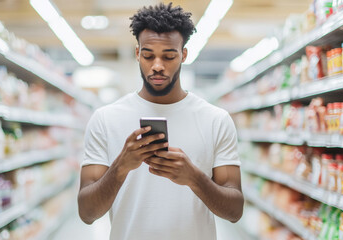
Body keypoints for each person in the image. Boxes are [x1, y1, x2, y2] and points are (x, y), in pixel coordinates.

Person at [78, 2, 244, 240]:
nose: (157, 66)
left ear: (184, 55)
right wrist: (120, 167)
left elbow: (235, 211)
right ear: (137, 53)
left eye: (168, 56)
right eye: (148, 55)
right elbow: (86, 213)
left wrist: (195, 178)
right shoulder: (106, 119)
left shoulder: (215, 120)